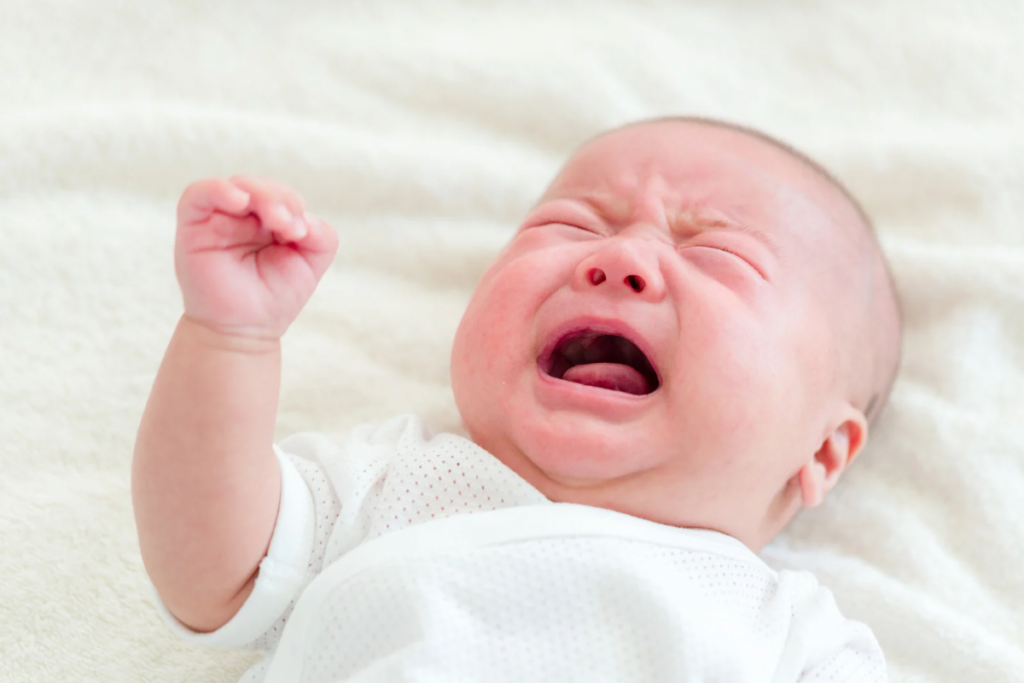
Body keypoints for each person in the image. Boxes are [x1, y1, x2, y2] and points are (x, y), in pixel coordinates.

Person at [132, 117, 901, 682]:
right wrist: (230, 338)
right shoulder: (389, 485)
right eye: (571, 224)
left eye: (718, 251)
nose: (621, 256)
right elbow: (211, 573)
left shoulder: (789, 636)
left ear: (822, 451)